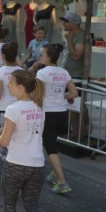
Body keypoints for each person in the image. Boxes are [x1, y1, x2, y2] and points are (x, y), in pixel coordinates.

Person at [0, 70, 60, 212]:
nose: (8, 86)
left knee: (9, 205)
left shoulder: (13, 109)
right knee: (33, 206)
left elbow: (4, 142)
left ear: (21, 87)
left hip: (16, 164)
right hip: (37, 164)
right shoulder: (39, 107)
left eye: (11, 83)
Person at [36, 44, 78, 194]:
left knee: (50, 147)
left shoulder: (42, 73)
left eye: (42, 54)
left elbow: (38, 96)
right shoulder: (64, 72)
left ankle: (62, 182)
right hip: (61, 113)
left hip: (48, 113)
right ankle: (54, 173)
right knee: (51, 144)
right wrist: (63, 96)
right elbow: (74, 93)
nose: (40, 56)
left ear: (49, 57)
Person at [0, 42, 23, 159]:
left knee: (3, 142)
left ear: (2, 55)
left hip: (5, 110)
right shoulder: (21, 71)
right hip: (20, 108)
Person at [60, 13, 85, 79]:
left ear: (73, 23)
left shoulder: (81, 35)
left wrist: (69, 41)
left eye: (65, 21)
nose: (63, 23)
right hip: (65, 72)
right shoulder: (69, 34)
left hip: (75, 75)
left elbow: (76, 56)